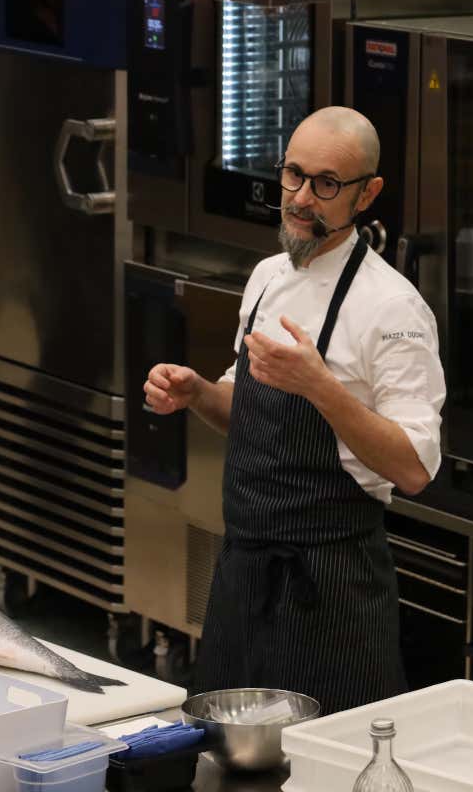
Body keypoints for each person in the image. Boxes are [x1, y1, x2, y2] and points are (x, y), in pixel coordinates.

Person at [144, 106, 446, 714]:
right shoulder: (264, 279)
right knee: (224, 754)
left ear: (368, 194)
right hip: (244, 578)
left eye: (328, 184)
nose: (303, 199)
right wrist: (199, 392)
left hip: (332, 592)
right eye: (294, 176)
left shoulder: (392, 309)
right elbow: (250, 410)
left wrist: (321, 387)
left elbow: (415, 468)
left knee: (326, 768)